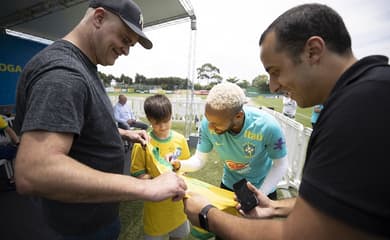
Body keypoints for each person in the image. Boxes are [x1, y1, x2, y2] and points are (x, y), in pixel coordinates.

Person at [183, 3, 389, 239]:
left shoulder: (363, 105)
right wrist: (276, 206)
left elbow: (302, 233)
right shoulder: (360, 96)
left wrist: (208, 215)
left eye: (275, 70)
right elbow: (337, 205)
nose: (273, 86)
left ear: (313, 51)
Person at [13, 0, 187, 239]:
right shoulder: (64, 74)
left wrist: (125, 134)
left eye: (131, 45)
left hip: (94, 218)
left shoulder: (83, 66)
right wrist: (147, 187)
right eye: (125, 39)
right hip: (76, 229)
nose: (126, 50)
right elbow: (35, 171)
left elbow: (82, 126)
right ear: (98, 18)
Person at [173, 82, 288, 200]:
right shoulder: (207, 124)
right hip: (229, 186)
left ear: (238, 116)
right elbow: (199, 159)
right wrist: (180, 165)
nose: (210, 127)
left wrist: (261, 194)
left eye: (216, 123)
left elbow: (280, 165)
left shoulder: (268, 126)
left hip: (263, 188)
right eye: (208, 120)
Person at [131, 94, 191, 240]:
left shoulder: (180, 140)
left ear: (171, 115)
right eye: (157, 122)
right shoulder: (142, 144)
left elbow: (186, 169)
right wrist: (157, 179)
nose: (163, 126)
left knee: (178, 236)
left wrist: (178, 172)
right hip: (155, 208)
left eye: (166, 121)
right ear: (149, 119)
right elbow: (137, 175)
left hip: (177, 206)